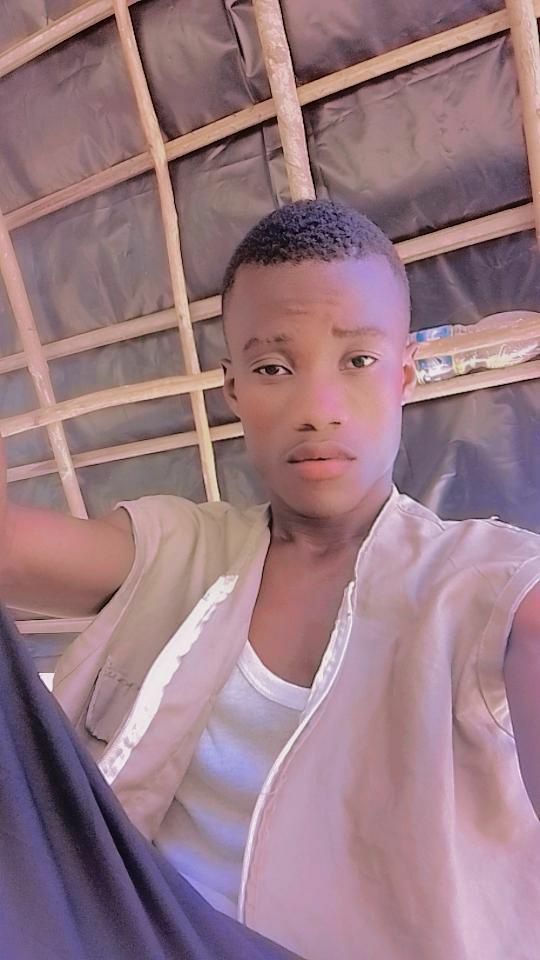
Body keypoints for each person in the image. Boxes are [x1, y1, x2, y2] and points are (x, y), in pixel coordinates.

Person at [1, 199, 539, 960]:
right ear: (234, 391)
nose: (317, 410)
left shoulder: (482, 583)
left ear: (404, 377)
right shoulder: (183, 548)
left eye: (358, 361)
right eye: (273, 368)